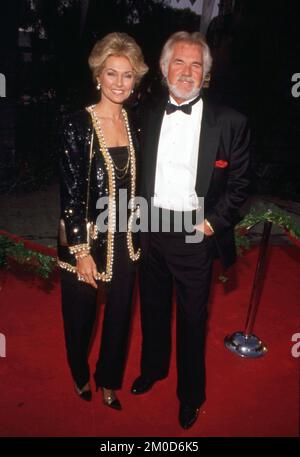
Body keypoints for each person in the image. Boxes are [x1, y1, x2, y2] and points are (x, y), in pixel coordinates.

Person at [131, 31, 250, 429]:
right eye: (178, 63)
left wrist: (213, 223)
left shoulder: (231, 122)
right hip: (151, 226)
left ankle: (190, 395)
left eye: (196, 64)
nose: (187, 71)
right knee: (151, 307)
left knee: (192, 318)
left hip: (197, 232)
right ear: (164, 70)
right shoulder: (145, 114)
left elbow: (239, 187)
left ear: (206, 74)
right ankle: (153, 370)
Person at [57, 32, 148, 410]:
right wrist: (80, 252)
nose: (119, 83)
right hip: (88, 241)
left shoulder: (136, 124)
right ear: (98, 75)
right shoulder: (76, 125)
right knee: (80, 319)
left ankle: (109, 380)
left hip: (127, 239)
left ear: (136, 79)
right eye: (112, 74)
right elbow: (70, 191)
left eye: (127, 75)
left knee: (120, 319)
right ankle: (79, 373)